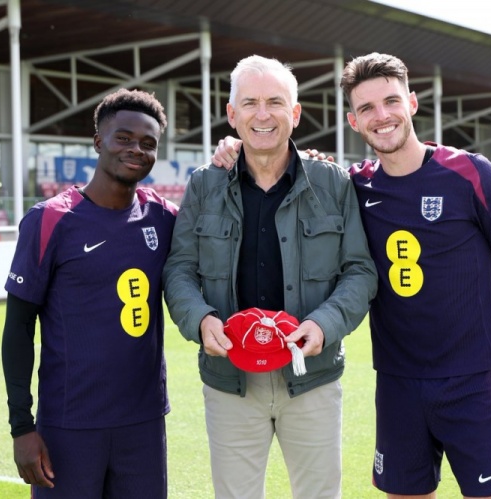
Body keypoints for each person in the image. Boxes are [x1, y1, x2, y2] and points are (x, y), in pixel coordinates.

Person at [212, 52, 491, 499]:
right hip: (398, 384)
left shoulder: (468, 173)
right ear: (353, 121)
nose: (381, 116)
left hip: (474, 380)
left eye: (391, 101)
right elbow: (294, 168)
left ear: (412, 103)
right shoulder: (353, 186)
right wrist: (234, 148)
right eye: (366, 108)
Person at [163, 55, 377, 499]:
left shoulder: (333, 183)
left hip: (312, 376)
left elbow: (360, 271)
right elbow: (179, 268)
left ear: (295, 114)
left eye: (275, 102)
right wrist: (200, 319)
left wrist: (325, 324)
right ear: (232, 114)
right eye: (250, 103)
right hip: (230, 382)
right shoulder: (204, 185)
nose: (263, 115)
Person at [1, 88, 177, 498]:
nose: (136, 150)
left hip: (144, 423)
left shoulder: (165, 217)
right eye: (124, 138)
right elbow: (18, 328)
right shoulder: (50, 220)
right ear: (99, 142)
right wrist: (22, 427)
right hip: (69, 425)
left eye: (148, 143)